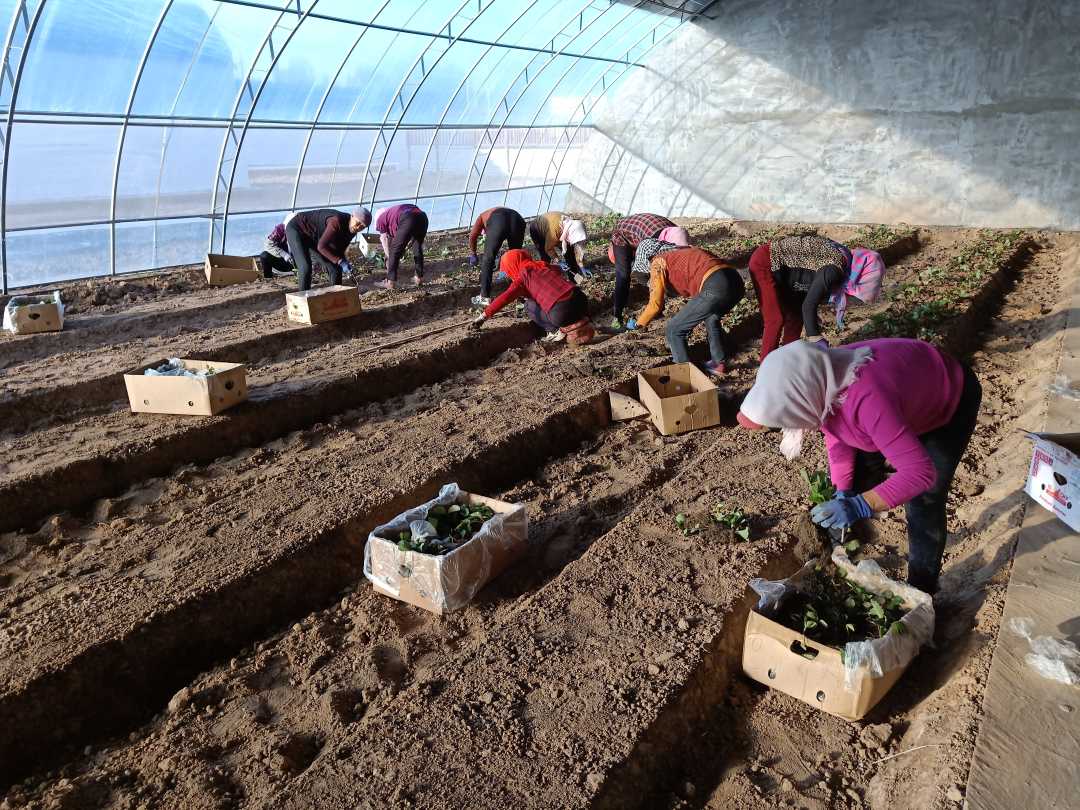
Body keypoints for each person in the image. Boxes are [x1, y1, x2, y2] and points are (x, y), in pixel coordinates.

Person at [736, 338, 982, 594]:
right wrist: (843, 490)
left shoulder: (867, 398)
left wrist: (860, 504)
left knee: (924, 501)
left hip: (948, 398)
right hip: (900, 400)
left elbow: (921, 474)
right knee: (859, 476)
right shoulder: (823, 380)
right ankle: (847, 551)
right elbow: (836, 432)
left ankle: (922, 588)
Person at [747, 235, 884, 360]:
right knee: (775, 319)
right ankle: (766, 369)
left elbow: (806, 303)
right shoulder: (834, 269)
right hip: (766, 262)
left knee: (796, 317)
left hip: (790, 274)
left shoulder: (842, 261)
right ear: (860, 281)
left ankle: (788, 361)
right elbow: (808, 305)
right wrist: (816, 339)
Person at [626, 241, 744, 376]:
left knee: (674, 330)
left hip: (715, 285)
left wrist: (638, 325)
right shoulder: (683, 253)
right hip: (736, 282)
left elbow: (655, 304)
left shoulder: (657, 262)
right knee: (711, 317)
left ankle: (685, 377)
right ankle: (718, 364)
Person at [470, 249, 595, 346]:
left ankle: (554, 331)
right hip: (581, 300)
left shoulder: (521, 279)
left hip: (561, 312)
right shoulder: (542, 265)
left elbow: (504, 298)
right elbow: (557, 270)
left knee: (529, 305)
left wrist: (483, 317)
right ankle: (584, 320)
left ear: (512, 267)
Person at [607, 213, 690, 329]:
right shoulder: (676, 234)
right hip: (658, 227)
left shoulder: (645, 243)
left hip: (653, 232)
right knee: (654, 273)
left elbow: (624, 274)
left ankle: (617, 316)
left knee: (624, 274)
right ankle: (620, 315)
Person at [285, 207, 370, 291]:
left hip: (313, 237)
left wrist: (344, 262)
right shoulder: (336, 221)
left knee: (335, 268)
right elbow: (321, 247)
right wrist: (340, 261)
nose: (358, 227)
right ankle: (303, 300)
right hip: (297, 229)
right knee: (305, 267)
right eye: (357, 223)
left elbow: (339, 250)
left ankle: (336, 296)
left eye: (362, 227)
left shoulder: (352, 230)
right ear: (352, 216)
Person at [468, 206, 526, 308]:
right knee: (516, 258)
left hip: (499, 219)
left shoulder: (482, 217)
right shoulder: (494, 212)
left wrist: (473, 253)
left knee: (488, 258)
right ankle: (521, 294)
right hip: (518, 219)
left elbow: (473, 235)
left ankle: (484, 297)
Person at [372, 203, 429, 289]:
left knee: (393, 251)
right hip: (422, 217)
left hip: (409, 218)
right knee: (417, 248)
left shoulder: (380, 219)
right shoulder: (392, 215)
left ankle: (390, 282)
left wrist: (389, 256)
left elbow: (384, 239)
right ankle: (418, 278)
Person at [529, 212, 588, 279]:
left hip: (554, 226)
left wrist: (582, 267)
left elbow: (579, 249)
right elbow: (548, 248)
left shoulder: (575, 226)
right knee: (545, 256)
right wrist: (559, 261)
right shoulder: (554, 232)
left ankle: (574, 278)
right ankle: (546, 277)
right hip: (537, 228)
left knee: (569, 254)